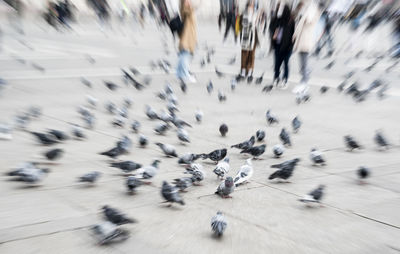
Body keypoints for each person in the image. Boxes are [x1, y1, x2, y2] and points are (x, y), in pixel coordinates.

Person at [292, 0, 320, 88]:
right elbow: (295, 18)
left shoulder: (312, 7)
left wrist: (303, 14)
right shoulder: (303, 7)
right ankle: (305, 75)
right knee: (302, 61)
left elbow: (309, 21)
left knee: (304, 60)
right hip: (301, 37)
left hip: (306, 37)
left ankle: (305, 80)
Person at [176, 0, 201, 83]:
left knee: (183, 55)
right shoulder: (187, 9)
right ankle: (185, 75)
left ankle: (179, 74)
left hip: (188, 36)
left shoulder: (187, 9)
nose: (189, 1)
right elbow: (195, 6)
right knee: (185, 56)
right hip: (187, 37)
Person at [271, 4, 295, 89]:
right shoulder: (278, 20)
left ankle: (285, 80)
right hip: (278, 44)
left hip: (287, 46)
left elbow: (293, 34)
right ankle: (276, 78)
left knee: (286, 63)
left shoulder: (291, 21)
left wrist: (291, 45)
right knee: (277, 63)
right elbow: (272, 27)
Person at [236, 0, 259, 83]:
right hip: (245, 36)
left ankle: (249, 73)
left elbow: (257, 26)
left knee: (251, 54)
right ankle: (242, 72)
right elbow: (241, 24)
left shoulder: (256, 14)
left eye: (253, 4)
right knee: (244, 53)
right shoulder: (243, 13)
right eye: (250, 4)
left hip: (253, 37)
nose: (251, 6)